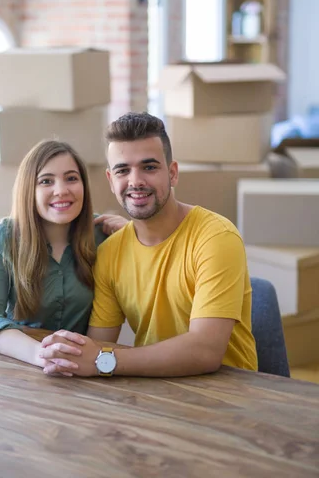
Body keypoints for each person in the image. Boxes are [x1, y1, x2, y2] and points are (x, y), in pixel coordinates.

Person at [39, 112, 258, 378]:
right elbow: (100, 343)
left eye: (149, 167)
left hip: (229, 397)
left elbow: (205, 351)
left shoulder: (215, 237)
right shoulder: (110, 252)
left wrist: (103, 361)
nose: (135, 181)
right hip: (153, 393)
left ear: (173, 173)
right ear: (111, 180)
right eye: (123, 170)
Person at [0, 139, 125, 370]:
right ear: (28, 190)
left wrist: (133, 236)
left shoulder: (105, 236)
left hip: (85, 366)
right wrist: (40, 354)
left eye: (72, 178)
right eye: (46, 181)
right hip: (20, 363)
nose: (61, 190)